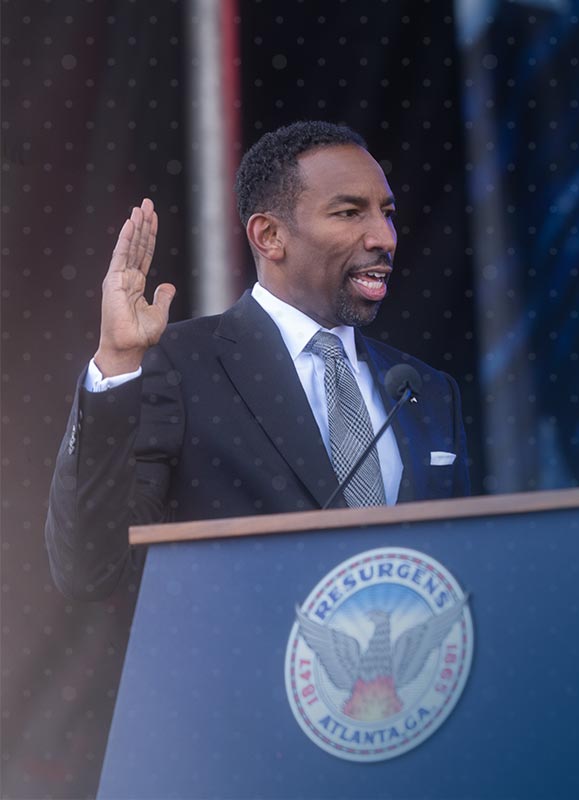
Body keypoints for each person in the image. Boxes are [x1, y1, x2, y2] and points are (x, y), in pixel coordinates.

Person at [46, 121, 470, 601]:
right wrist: (118, 359)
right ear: (269, 236)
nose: (384, 237)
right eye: (350, 213)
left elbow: (459, 569)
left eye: (387, 214)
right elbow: (89, 567)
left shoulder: (425, 391)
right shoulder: (177, 366)